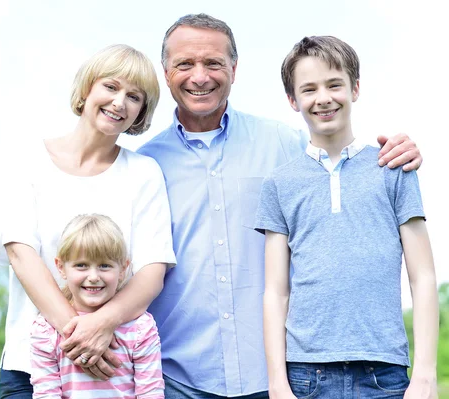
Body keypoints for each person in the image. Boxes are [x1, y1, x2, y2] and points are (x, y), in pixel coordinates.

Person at [136, 13, 424, 398]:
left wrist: (397, 152)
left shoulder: (284, 145)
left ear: (234, 69)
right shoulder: (144, 166)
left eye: (214, 63)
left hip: (277, 378)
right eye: (185, 64)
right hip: (178, 378)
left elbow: (337, 148)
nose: (200, 76)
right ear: (166, 71)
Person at [254, 35, 438, 399]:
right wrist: (277, 383)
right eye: (309, 89)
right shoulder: (279, 184)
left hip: (384, 374)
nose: (323, 97)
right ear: (293, 100)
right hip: (306, 376)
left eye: (334, 84)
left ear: (355, 88)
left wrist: (425, 376)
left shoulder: (393, 169)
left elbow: (424, 276)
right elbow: (276, 292)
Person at [0, 44, 176, 399]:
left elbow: (152, 272)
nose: (119, 102)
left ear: (141, 112)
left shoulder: (144, 173)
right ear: (87, 88)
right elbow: (20, 254)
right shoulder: (29, 159)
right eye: (110, 86)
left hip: (115, 370)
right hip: (32, 367)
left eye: (134, 96)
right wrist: (80, 338)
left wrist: (103, 326)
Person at [30, 214, 165, 398]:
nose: (93, 276)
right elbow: (46, 393)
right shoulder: (46, 330)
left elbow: (150, 392)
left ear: (123, 269)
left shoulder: (140, 328)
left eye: (104, 266)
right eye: (81, 265)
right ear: (61, 267)